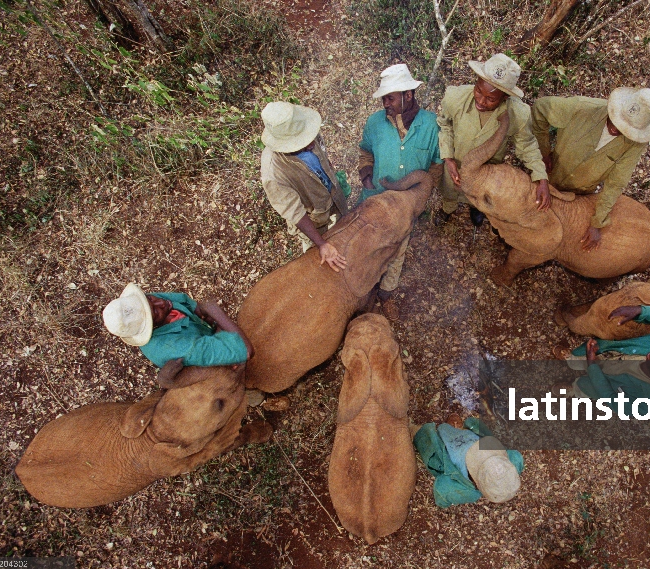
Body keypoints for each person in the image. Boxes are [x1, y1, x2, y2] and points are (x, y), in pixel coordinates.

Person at [358, 64, 442, 320]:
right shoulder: (375, 123)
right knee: (370, 249)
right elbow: (365, 150)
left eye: (390, 97)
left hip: (407, 208)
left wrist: (423, 194)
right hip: (375, 201)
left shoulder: (431, 125)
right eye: (384, 98)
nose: (385, 103)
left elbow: (437, 163)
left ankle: (386, 294)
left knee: (397, 251)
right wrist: (367, 176)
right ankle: (365, 293)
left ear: (408, 95)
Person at [532, 88, 650, 251]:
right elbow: (540, 109)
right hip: (548, 173)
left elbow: (616, 183)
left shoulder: (635, 144)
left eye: (624, 130)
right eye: (615, 121)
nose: (615, 129)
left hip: (579, 193)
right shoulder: (583, 108)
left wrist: (597, 222)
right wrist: (542, 154)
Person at [435, 53, 550, 227]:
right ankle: (448, 208)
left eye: (490, 99)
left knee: (478, 196)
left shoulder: (518, 114)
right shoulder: (455, 97)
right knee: (450, 188)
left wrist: (541, 177)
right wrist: (448, 158)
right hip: (455, 162)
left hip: (485, 172)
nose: (481, 101)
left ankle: (475, 208)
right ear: (476, 82)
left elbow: (527, 145)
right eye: (478, 91)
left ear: (505, 97)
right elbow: (445, 125)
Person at [553, 305, 650, 418]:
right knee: (583, 356)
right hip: (610, 354)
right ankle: (573, 360)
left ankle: (575, 389)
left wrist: (592, 365)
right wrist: (641, 311)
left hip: (608, 385)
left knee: (588, 386)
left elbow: (611, 399)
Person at [260, 101, 349, 272]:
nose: (311, 144)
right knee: (320, 266)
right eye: (303, 143)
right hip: (314, 219)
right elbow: (296, 213)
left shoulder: (304, 127)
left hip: (333, 198)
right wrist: (321, 244)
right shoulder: (273, 172)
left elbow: (323, 155)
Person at [102, 283, 254, 368]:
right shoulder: (175, 348)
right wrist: (216, 313)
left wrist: (207, 317)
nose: (162, 302)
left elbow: (186, 302)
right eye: (156, 311)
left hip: (203, 339)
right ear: (152, 327)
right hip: (197, 357)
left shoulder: (146, 304)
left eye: (151, 299)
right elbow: (246, 350)